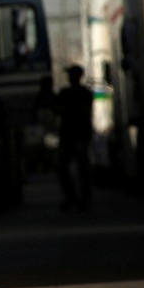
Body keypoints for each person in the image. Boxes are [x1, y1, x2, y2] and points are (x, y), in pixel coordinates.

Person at [54, 64, 93, 211]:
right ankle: (72, 196)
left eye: (73, 74)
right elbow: (56, 108)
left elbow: (82, 111)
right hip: (68, 135)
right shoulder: (65, 93)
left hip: (80, 134)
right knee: (61, 167)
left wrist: (68, 110)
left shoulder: (84, 93)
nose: (70, 78)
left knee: (83, 168)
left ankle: (83, 198)